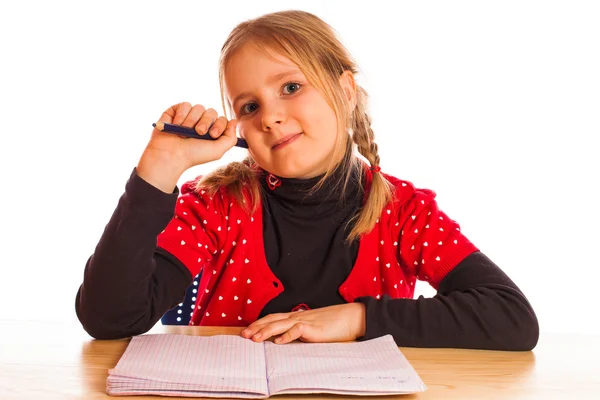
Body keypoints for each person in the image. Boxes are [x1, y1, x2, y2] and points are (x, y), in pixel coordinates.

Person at [75, 10, 539, 350]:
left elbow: (512, 317)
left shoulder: (405, 212)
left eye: (291, 88)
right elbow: (109, 318)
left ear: (344, 90)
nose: (271, 117)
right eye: (249, 107)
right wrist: (159, 169)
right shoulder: (214, 206)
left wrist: (358, 318)